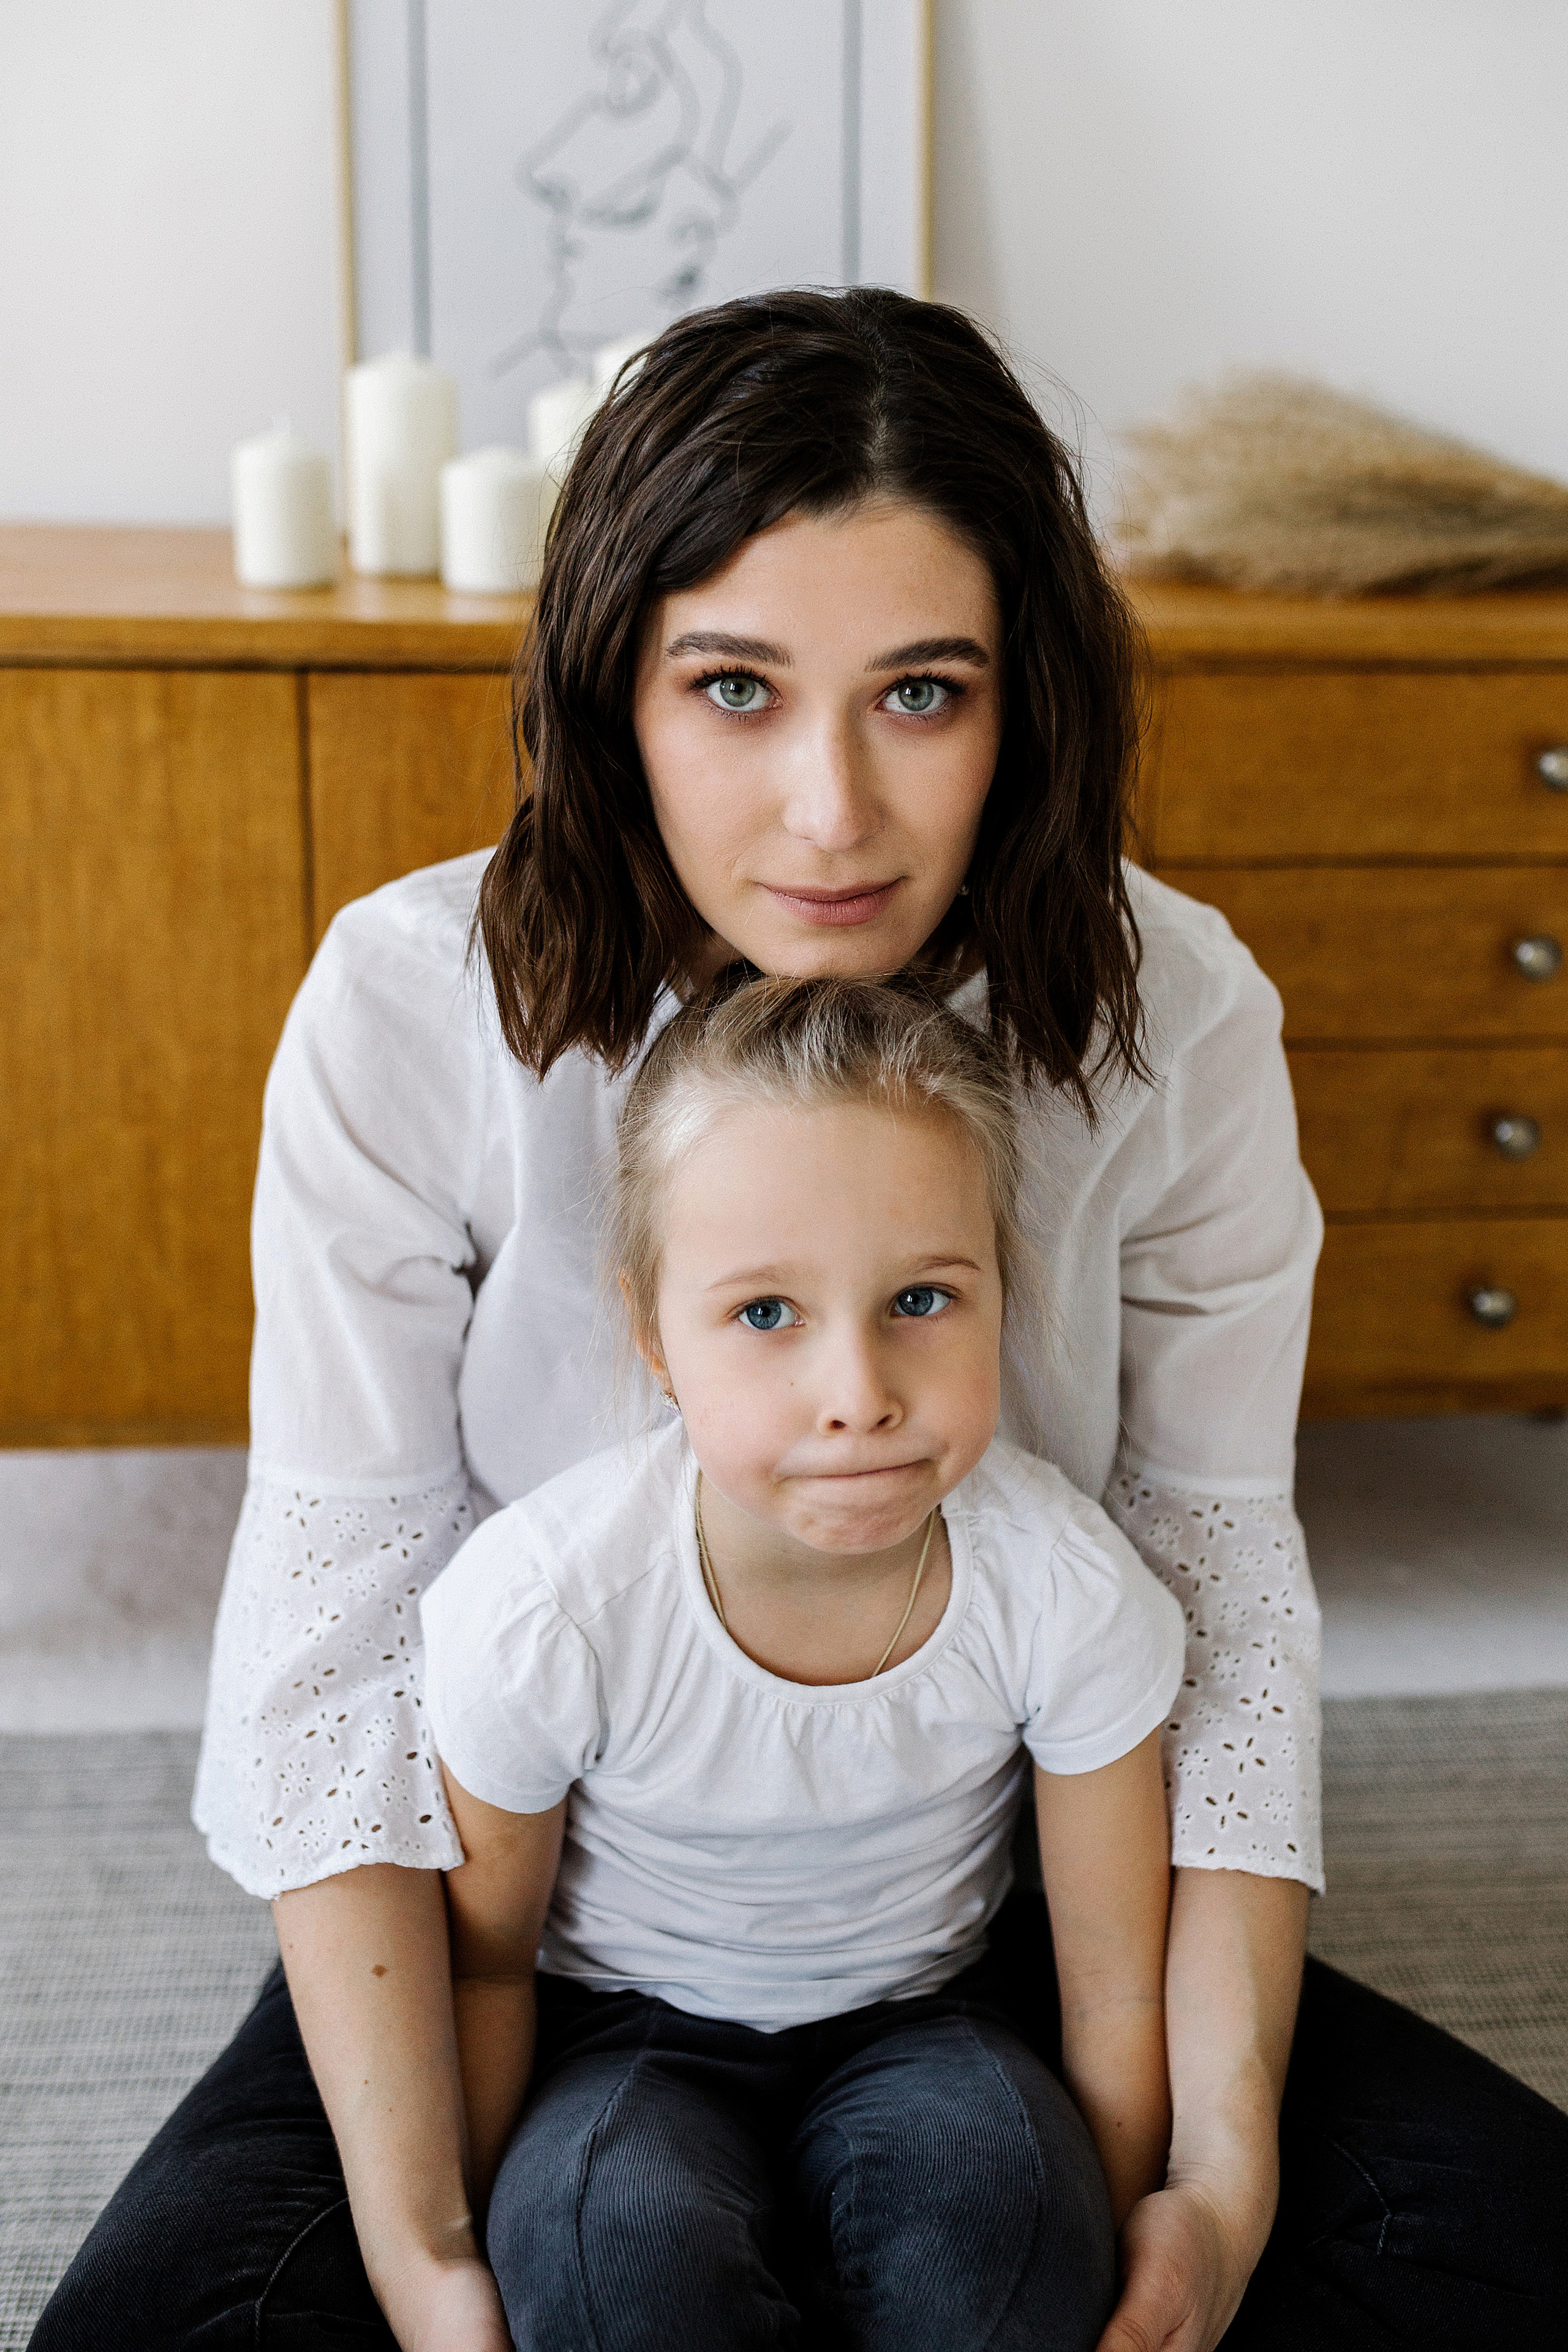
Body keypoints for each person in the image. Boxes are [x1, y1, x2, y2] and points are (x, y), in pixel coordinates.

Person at [30, 288, 1568, 2352]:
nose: (834, 809)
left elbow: (1224, 1621)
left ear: (1029, 702)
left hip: (998, 1891)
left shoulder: (1176, 1012)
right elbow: (345, 1680)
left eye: (920, 692)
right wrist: (425, 2263)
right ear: (612, 695)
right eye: (736, 688)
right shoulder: (408, 1009)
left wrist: (1215, 2180)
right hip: (524, 1910)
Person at [406, 972, 1184, 2351]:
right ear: (655, 1335)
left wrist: (1110, 2248)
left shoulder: (1060, 1590)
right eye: (765, 1314)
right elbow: (481, 1969)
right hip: (624, 2033)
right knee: (606, 2270)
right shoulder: (551, 1605)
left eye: (921, 1299)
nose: (858, 1392)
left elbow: (1113, 1977)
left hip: (925, 2012)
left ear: (1001, 1287)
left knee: (1002, 2259)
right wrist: (454, 2251)